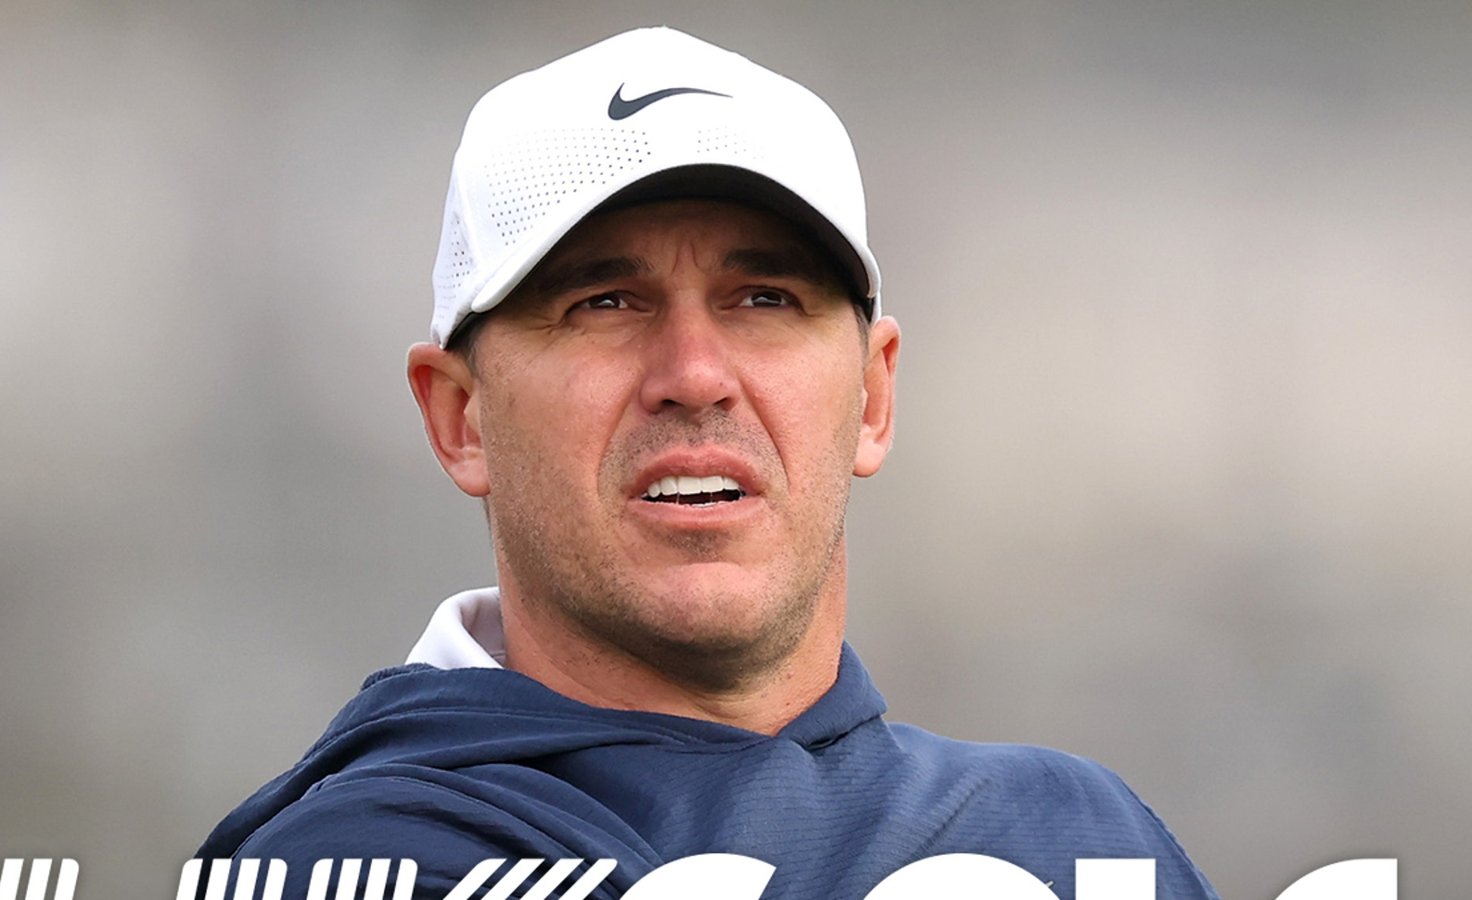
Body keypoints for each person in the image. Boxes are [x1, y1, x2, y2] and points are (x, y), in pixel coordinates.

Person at [197, 27, 1218, 900]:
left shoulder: (1081, 835)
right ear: (461, 418)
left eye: (765, 299)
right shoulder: (360, 860)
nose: (693, 374)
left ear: (873, 398)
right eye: (604, 302)